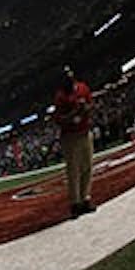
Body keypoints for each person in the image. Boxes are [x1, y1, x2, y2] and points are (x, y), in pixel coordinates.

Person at [53, 68, 96, 218]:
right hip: (71, 137)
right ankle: (75, 203)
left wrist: (85, 109)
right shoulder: (60, 96)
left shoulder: (83, 88)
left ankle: (85, 198)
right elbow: (59, 119)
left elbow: (91, 105)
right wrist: (74, 113)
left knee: (88, 167)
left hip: (85, 132)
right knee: (74, 171)